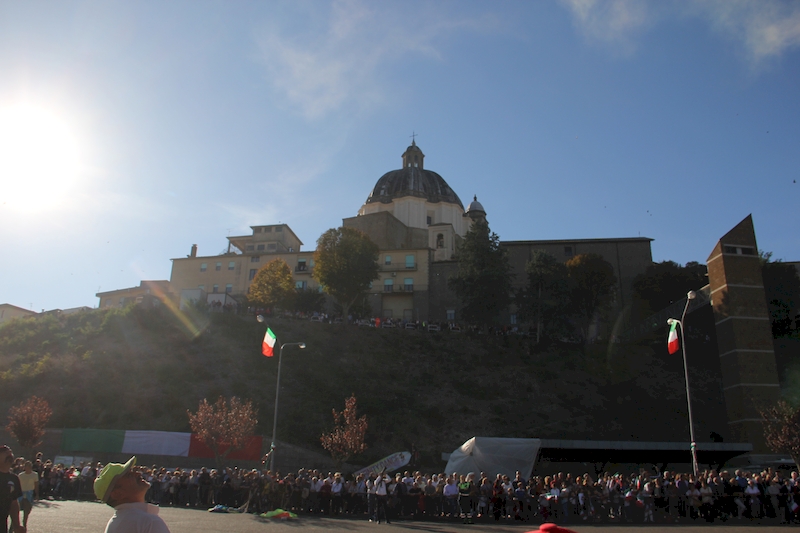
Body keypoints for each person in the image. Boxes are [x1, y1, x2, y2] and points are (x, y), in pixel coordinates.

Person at [94, 456, 171, 533]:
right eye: (129, 475)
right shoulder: (149, 522)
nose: (137, 473)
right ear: (117, 494)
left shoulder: (116, 522)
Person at [0, 446, 24, 533]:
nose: (10, 455)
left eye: (11, 453)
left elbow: (13, 503)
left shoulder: (14, 479)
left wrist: (16, 525)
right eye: (6, 453)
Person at [17, 461, 38, 528]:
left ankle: (24, 524)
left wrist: (37, 494)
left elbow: (36, 484)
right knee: (16, 511)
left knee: (27, 511)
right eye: (26, 466)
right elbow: (18, 485)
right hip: (21, 494)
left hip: (29, 494)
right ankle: (14, 526)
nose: (28, 468)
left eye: (29, 466)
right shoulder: (20, 475)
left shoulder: (35, 475)